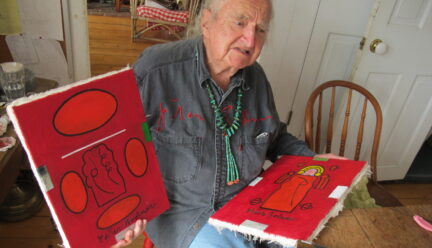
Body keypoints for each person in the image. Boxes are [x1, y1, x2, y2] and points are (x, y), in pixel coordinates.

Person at [112, 0, 345, 247]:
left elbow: (275, 138)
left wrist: (317, 161)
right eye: (239, 22)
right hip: (185, 213)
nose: (251, 40)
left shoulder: (256, 78)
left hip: (251, 205)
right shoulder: (157, 70)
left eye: (261, 30)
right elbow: (113, 141)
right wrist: (120, 213)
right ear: (206, 22)